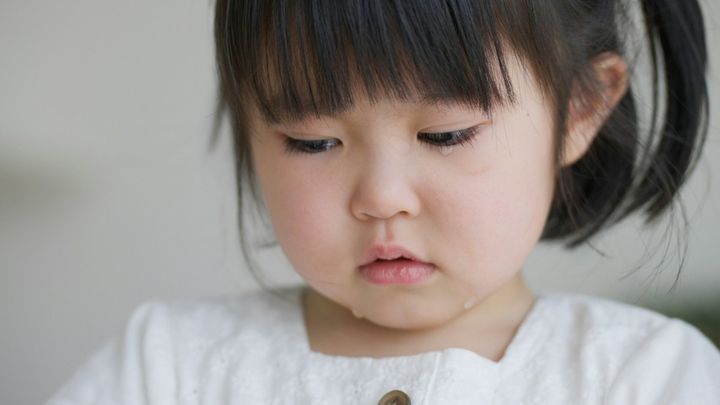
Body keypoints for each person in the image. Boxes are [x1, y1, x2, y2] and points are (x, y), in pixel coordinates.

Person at [48, 0, 720, 404]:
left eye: (446, 135)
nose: (381, 198)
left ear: (579, 109)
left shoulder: (646, 376)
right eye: (313, 142)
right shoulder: (167, 365)